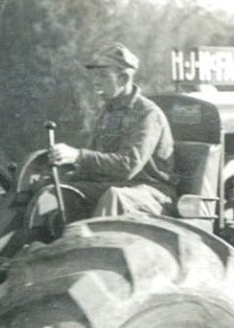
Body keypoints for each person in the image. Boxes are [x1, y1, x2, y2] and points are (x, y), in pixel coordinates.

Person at [51, 42, 177, 217]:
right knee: (57, 192)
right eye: (95, 75)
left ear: (123, 79)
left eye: (103, 75)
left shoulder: (147, 113)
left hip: (151, 191)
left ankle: (94, 243)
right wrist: (64, 174)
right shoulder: (107, 111)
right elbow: (96, 159)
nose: (96, 81)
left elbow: (128, 166)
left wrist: (78, 155)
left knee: (115, 197)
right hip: (116, 185)